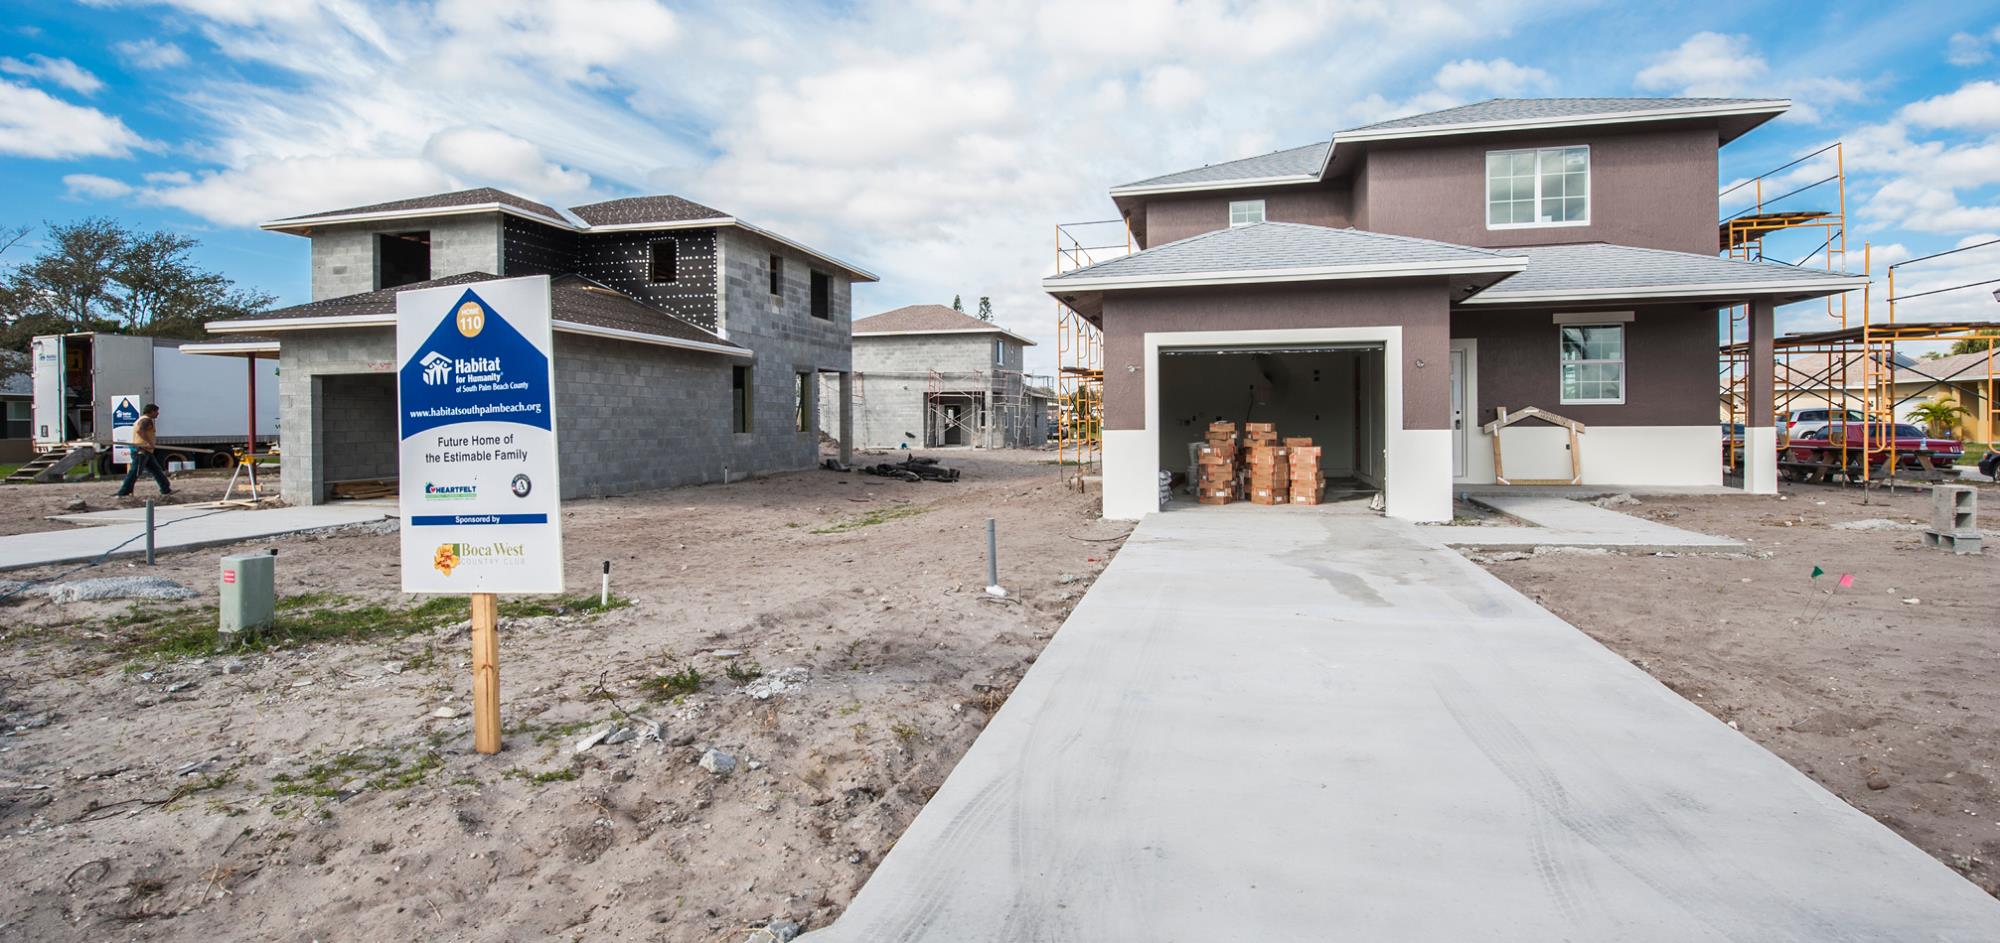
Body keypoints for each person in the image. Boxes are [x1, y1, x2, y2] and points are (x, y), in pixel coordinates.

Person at [114, 403, 173, 497]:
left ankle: (166, 489)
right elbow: (140, 431)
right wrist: (149, 443)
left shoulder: (142, 419)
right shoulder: (146, 420)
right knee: (135, 472)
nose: (158, 414)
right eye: (156, 411)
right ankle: (123, 492)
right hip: (141, 450)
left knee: (156, 470)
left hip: (146, 451)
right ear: (152, 411)